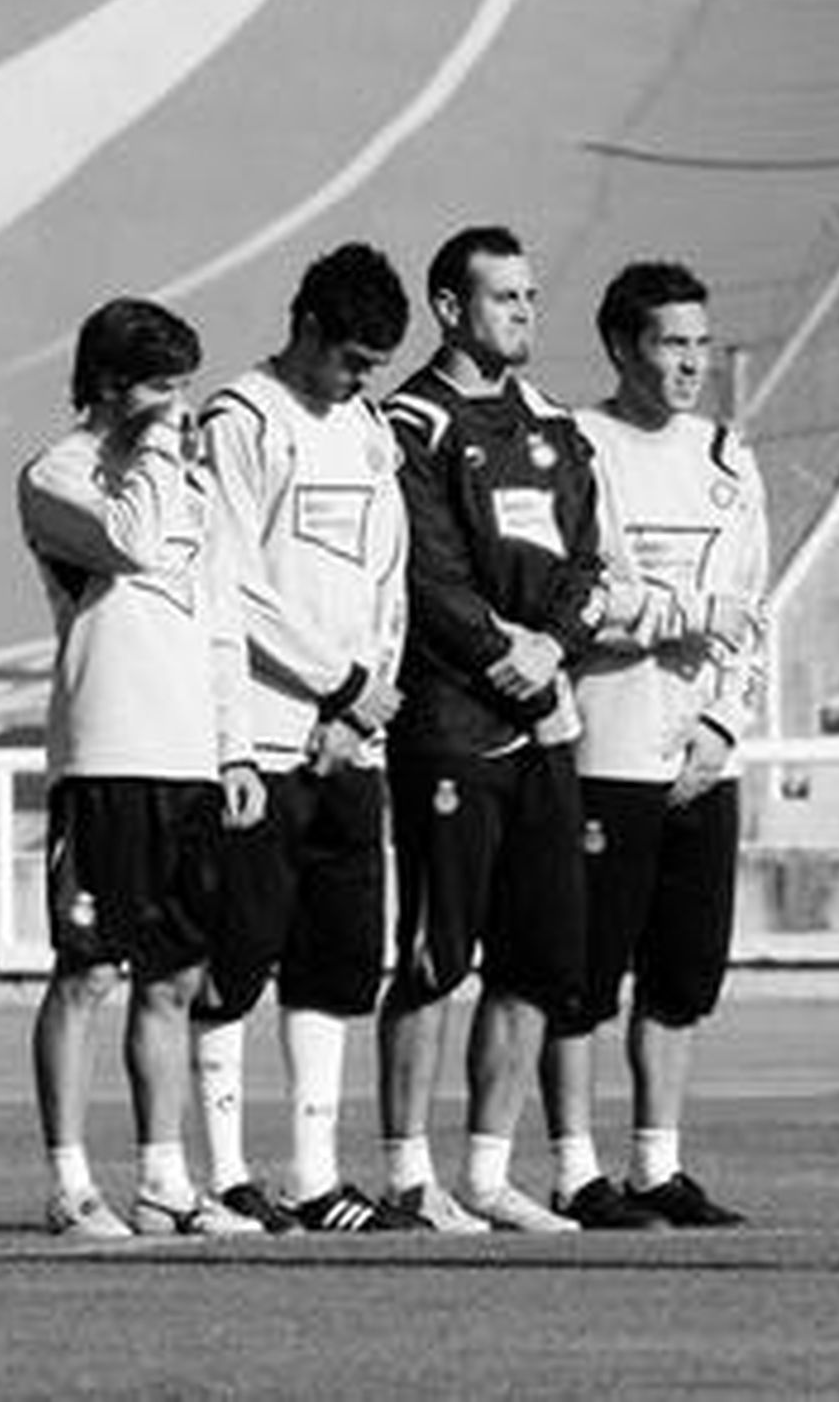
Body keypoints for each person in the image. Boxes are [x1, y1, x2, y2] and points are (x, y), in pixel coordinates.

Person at [375, 225, 607, 1232]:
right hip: (451, 723)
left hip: (543, 721)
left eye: (528, 295)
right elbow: (426, 574)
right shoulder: (413, 425)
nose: (523, 312)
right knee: (434, 957)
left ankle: (485, 1172)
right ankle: (404, 1174)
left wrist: (552, 649)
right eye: (504, 296)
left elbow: (588, 565)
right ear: (449, 307)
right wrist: (494, 651)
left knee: (532, 960)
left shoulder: (553, 426)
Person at [21, 298, 267, 1239]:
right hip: (105, 754)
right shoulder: (58, 473)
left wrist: (234, 747)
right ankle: (70, 1182)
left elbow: (221, 629)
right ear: (111, 386)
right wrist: (161, 447)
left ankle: (166, 1181)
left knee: (173, 978)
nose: (180, 405)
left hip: (187, 763)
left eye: (184, 387)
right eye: (164, 386)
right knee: (88, 973)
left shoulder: (189, 486)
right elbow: (124, 540)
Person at [189, 242, 419, 1234]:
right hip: (267, 735)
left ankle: (314, 1175)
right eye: (352, 359)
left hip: (349, 741)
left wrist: (365, 698)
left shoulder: (367, 428)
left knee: (336, 962)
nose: (361, 380)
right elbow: (231, 582)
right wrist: (336, 684)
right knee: (237, 955)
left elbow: (388, 575)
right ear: (309, 328)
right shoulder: (241, 421)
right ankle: (225, 1172)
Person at [539, 261, 767, 1228]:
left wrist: (725, 722)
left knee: (682, 978)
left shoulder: (727, 456)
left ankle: (656, 1165)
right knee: (582, 977)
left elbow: (754, 609)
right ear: (623, 347)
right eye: (672, 343)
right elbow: (568, 598)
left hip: (701, 759)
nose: (690, 363)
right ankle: (573, 1168)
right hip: (606, 748)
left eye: (700, 344)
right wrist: (670, 622)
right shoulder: (574, 447)